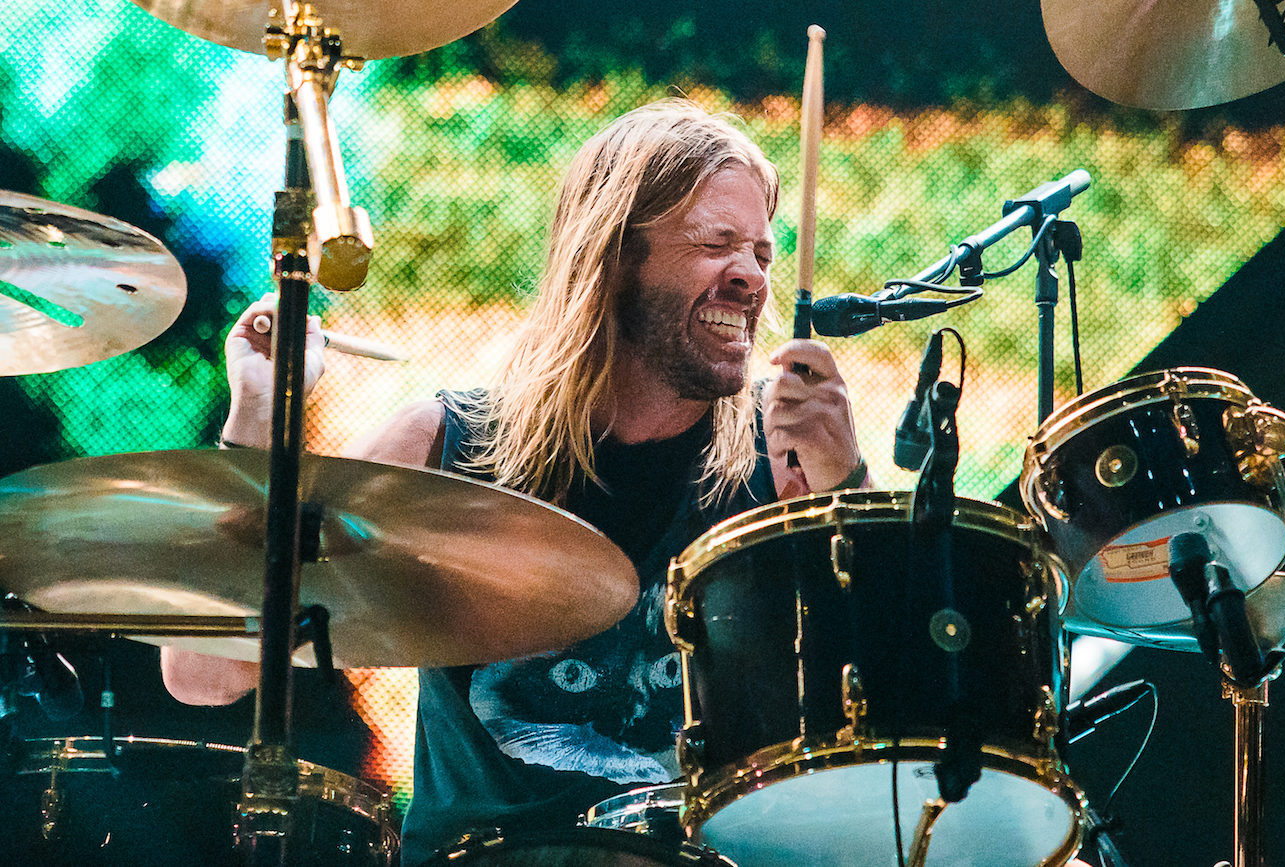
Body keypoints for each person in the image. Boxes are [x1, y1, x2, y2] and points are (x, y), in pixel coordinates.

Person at [163, 98, 867, 865]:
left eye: (763, 253)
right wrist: (260, 423)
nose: (751, 277)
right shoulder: (447, 445)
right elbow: (200, 671)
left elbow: (905, 729)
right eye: (716, 243)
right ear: (614, 255)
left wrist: (851, 486)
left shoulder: (786, 460)